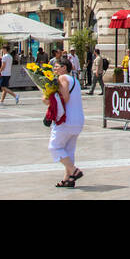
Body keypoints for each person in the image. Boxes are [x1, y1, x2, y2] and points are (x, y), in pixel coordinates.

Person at [49, 57, 85, 188]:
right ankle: (68, 179)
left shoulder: (63, 78)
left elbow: (65, 97)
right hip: (78, 119)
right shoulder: (75, 80)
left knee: (54, 147)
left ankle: (74, 170)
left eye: (57, 66)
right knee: (69, 150)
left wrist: (49, 97)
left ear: (64, 68)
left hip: (66, 119)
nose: (55, 69)